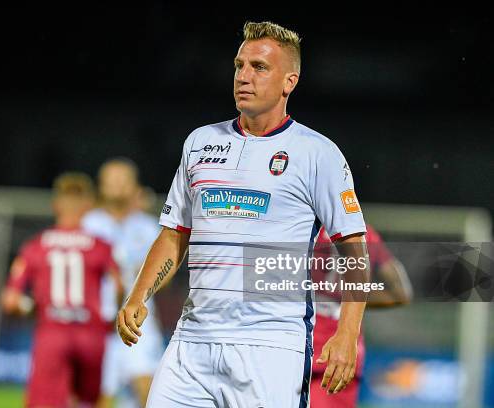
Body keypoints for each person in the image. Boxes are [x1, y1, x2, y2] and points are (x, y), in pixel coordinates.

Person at [117, 21, 371, 407]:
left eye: (259, 67)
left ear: (290, 82)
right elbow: (174, 235)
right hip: (193, 343)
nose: (244, 76)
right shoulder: (200, 142)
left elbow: (355, 251)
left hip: (270, 347)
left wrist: (348, 331)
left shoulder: (317, 153)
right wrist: (138, 296)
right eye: (239, 65)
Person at [1, 172, 122, 408]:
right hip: (91, 334)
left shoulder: (35, 246)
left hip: (52, 332)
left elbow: (10, 300)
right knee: (88, 402)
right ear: (88, 206)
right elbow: (119, 286)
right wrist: (112, 318)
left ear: (56, 205)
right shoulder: (102, 246)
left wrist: (32, 308)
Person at [82, 158, 164, 408]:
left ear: (134, 186)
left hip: (140, 320)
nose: (117, 186)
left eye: (123, 180)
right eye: (111, 180)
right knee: (100, 396)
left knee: (148, 392)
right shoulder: (88, 224)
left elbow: (163, 273)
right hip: (98, 321)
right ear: (101, 186)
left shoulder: (148, 227)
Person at [310, 225, 413, 407]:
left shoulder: (295, 223)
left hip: (299, 350)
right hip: (335, 357)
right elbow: (400, 292)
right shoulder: (362, 232)